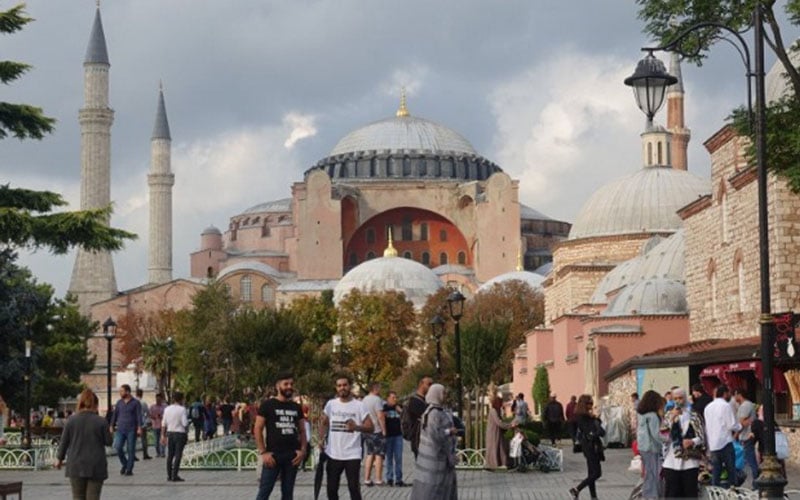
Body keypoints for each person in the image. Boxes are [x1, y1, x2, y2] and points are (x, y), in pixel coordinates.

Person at [318, 375, 373, 500]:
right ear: (336, 388)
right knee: (331, 489)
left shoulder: (359, 405)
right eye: (339, 385)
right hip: (333, 453)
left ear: (350, 386)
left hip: (352, 454)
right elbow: (324, 423)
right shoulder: (331, 404)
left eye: (345, 385)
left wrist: (356, 427)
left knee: (353, 488)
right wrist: (321, 439)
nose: (342, 388)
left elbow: (371, 427)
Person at [254, 372, 307, 500]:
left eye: (291, 384)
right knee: (264, 492)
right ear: (278, 386)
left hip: (292, 456)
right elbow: (257, 428)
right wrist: (263, 452)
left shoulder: (296, 407)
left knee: (288, 493)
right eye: (286, 384)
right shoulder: (268, 405)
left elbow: (302, 430)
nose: (289, 387)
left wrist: (303, 451)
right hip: (273, 456)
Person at [55, 389, 112, 500]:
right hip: (96, 465)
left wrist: (59, 459)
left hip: (76, 464)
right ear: (95, 404)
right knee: (93, 497)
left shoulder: (71, 421)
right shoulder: (101, 422)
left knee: (77, 497)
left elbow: (64, 442)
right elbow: (108, 442)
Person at [411, 384, 458, 500]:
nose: (445, 395)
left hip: (439, 460)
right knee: (433, 490)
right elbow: (435, 434)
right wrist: (449, 431)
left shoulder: (435, 411)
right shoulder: (434, 413)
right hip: (434, 460)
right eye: (443, 393)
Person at [662, 387, 705, 497]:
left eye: (680, 398)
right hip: (671, 460)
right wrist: (672, 419)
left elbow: (701, 436)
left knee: (689, 493)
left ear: (685, 398)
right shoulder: (668, 415)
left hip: (689, 461)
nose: (678, 401)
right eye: (675, 398)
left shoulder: (694, 415)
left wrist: (692, 441)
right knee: (672, 493)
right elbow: (663, 435)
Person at [704, 384, 741, 487]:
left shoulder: (708, 407)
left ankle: (715, 492)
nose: (730, 396)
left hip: (713, 444)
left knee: (716, 471)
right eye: (729, 393)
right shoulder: (725, 405)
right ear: (725, 393)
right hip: (725, 442)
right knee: (731, 470)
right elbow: (731, 425)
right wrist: (740, 426)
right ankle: (733, 491)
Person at [569, 395, 604, 499]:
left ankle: (593, 496)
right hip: (591, 446)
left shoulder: (582, 416)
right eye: (590, 403)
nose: (591, 405)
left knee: (591, 473)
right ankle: (577, 489)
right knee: (597, 473)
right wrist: (596, 421)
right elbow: (596, 432)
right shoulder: (584, 417)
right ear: (584, 404)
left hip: (587, 445)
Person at [636, 390, 664, 500]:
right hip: (652, 448)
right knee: (654, 473)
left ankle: (646, 494)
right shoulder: (652, 416)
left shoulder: (641, 415)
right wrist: (666, 441)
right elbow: (656, 434)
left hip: (643, 447)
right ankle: (652, 495)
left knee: (648, 473)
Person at [110, 384, 142, 476]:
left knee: (130, 449)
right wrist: (111, 425)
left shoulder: (136, 403)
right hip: (120, 429)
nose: (120, 393)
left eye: (122, 391)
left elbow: (139, 416)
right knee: (118, 447)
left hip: (132, 429)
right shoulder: (119, 403)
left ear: (127, 392)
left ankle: (129, 469)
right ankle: (125, 464)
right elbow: (115, 414)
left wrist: (139, 428)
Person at [361, 382, 386, 486]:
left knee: (369, 454)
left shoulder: (364, 400)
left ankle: (367, 478)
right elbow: (380, 415)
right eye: (379, 388)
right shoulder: (377, 400)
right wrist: (384, 429)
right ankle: (378, 478)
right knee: (379, 455)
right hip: (376, 429)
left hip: (367, 430)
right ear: (375, 388)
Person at [732, 389, 758, 488]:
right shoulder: (743, 406)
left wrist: (735, 434)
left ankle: (756, 483)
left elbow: (741, 423)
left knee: (750, 460)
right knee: (748, 460)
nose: (734, 398)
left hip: (747, 436)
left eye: (735, 395)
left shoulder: (746, 405)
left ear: (739, 395)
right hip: (745, 436)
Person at [161, 390, 189, 482]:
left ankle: (169, 475)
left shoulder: (167, 409)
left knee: (170, 455)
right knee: (178, 455)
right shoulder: (182, 409)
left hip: (170, 433)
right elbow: (184, 423)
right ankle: (175, 475)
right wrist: (186, 431)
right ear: (181, 399)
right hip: (179, 433)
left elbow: (163, 423)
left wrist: (163, 435)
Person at [405, 375, 432, 458]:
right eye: (429, 384)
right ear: (421, 384)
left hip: (425, 440)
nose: (431, 387)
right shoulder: (415, 402)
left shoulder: (425, 400)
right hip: (418, 439)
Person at [382, 391, 404, 486]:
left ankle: (398, 479)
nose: (395, 399)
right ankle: (389, 478)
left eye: (396, 397)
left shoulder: (398, 407)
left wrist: (401, 411)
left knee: (398, 457)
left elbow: (405, 418)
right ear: (388, 398)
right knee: (389, 458)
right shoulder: (384, 408)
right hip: (388, 436)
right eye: (393, 397)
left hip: (398, 435)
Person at [485, 396, 512, 470]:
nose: (502, 404)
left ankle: (502, 463)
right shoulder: (493, 411)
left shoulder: (498, 410)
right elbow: (499, 422)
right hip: (493, 433)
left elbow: (501, 421)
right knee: (494, 448)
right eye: (500, 402)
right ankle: (491, 465)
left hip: (497, 432)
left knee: (500, 447)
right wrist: (510, 425)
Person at [136, 389, 152, 460]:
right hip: (142, 423)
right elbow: (147, 413)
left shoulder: (133, 402)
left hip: (134, 423)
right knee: (144, 439)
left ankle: (132, 455)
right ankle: (145, 454)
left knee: (133, 440)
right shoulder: (143, 403)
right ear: (142, 394)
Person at [149, 393, 166, 458]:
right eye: (157, 399)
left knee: (162, 439)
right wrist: (154, 417)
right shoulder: (152, 407)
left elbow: (166, 415)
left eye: (159, 399)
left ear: (161, 399)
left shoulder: (165, 406)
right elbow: (150, 415)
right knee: (156, 440)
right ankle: (158, 452)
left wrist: (161, 416)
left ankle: (162, 452)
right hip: (155, 425)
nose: (158, 400)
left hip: (163, 425)